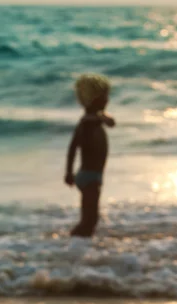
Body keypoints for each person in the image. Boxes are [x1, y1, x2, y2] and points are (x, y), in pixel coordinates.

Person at [64, 73, 115, 237]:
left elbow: (111, 123)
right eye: (104, 98)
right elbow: (73, 148)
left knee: (90, 217)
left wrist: (69, 172)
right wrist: (68, 172)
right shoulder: (88, 122)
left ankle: (80, 246)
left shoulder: (91, 120)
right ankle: (75, 243)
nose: (107, 101)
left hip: (92, 175)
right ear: (94, 100)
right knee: (90, 219)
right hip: (89, 176)